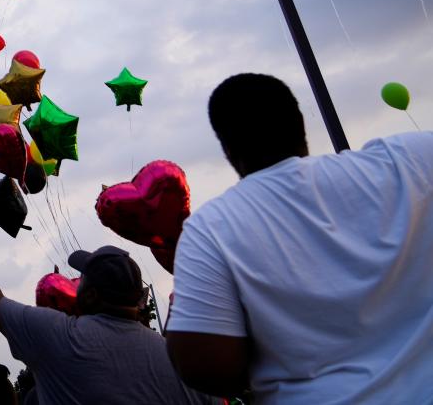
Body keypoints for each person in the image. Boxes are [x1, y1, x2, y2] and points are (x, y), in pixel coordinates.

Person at [166, 73, 433, 403]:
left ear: (227, 149)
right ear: (300, 123)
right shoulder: (411, 159)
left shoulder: (211, 228)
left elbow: (207, 366)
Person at [0, 228, 214, 404]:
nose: (74, 283)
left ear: (92, 295)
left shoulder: (62, 338)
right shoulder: (179, 361)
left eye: (82, 279)